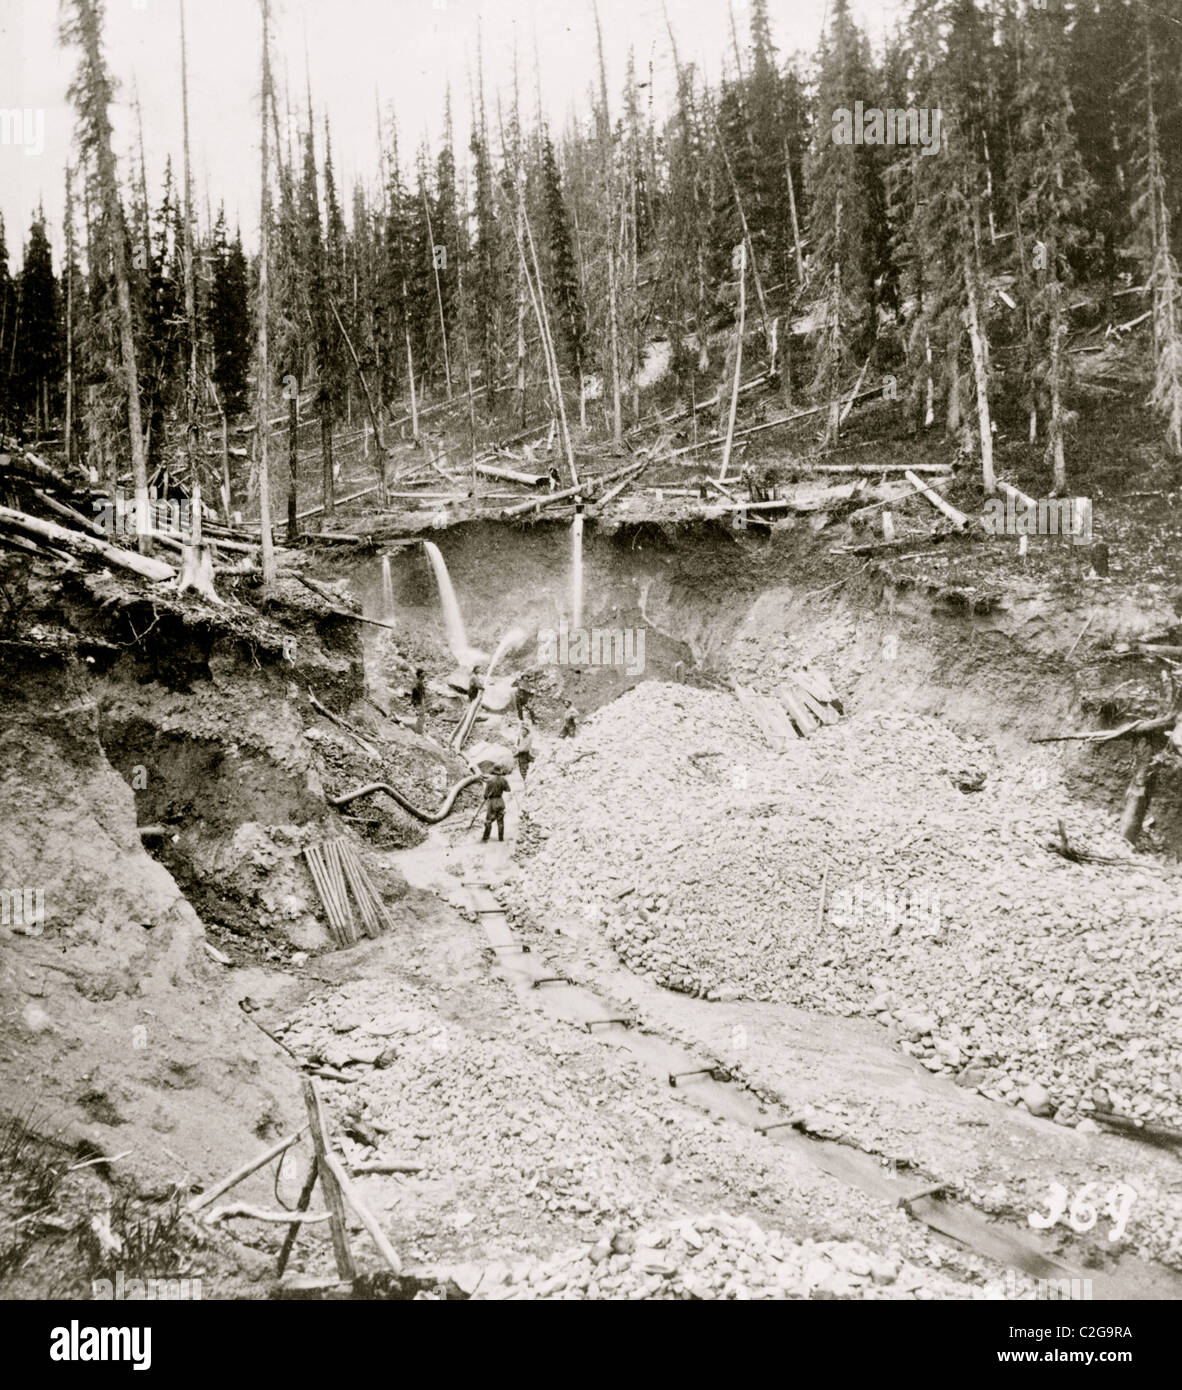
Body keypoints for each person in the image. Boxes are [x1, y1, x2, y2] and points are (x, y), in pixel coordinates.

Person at [480, 769, 511, 842]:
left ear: (493, 772)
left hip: (492, 802)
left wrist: (486, 797)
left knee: (488, 820)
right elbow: (508, 790)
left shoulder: (490, 780)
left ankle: (485, 838)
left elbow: (486, 795)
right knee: (500, 821)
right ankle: (501, 838)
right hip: (500, 801)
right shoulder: (503, 779)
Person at [410, 667, 426, 733]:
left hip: (419, 701)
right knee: (419, 715)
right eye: (423, 673)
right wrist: (419, 697)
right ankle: (417, 730)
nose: (424, 675)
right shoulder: (417, 681)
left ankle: (419, 729)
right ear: (420, 674)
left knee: (420, 715)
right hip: (418, 701)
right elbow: (414, 688)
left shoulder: (420, 681)